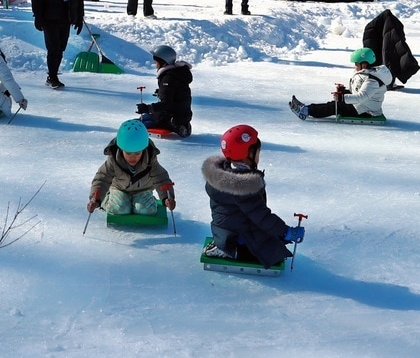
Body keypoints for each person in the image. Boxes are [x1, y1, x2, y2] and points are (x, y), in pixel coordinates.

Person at [201, 125, 296, 268]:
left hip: (232, 227)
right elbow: (261, 215)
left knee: (274, 239)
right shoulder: (241, 186)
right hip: (234, 236)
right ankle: (226, 250)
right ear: (249, 154)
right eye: (258, 152)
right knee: (273, 253)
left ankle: (228, 244)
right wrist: (286, 231)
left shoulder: (228, 172)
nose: (259, 156)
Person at [87, 120, 176, 217]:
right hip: (119, 189)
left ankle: (148, 200)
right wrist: (96, 199)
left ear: (144, 149)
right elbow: (102, 178)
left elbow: (161, 179)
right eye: (128, 153)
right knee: (120, 208)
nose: (132, 157)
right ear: (121, 149)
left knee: (147, 210)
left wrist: (167, 198)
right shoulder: (114, 160)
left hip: (142, 190)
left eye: (137, 153)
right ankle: (106, 200)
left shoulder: (150, 159)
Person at [31, 0, 84, 89]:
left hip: (66, 18)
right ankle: (52, 76)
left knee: (61, 48)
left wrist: (79, 17)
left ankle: (53, 73)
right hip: (49, 18)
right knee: (53, 48)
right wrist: (38, 16)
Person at [290, 47, 392, 120]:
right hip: (362, 105)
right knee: (332, 104)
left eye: (356, 64)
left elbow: (362, 96)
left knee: (335, 107)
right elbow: (358, 90)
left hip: (367, 111)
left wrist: (342, 98)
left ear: (364, 64)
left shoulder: (372, 81)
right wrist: (344, 91)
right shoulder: (367, 74)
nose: (355, 67)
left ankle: (305, 112)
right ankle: (306, 108)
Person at [136, 44, 192, 137]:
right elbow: (177, 93)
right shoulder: (178, 73)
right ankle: (181, 124)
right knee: (146, 118)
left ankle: (176, 126)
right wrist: (162, 91)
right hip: (183, 114)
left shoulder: (168, 78)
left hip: (171, 116)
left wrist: (147, 108)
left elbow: (166, 104)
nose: (155, 65)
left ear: (164, 63)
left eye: (156, 62)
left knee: (138, 123)